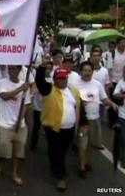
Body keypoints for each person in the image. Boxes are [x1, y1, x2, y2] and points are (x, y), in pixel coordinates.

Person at [35, 63, 81, 191]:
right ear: (55, 79)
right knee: (57, 151)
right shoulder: (48, 89)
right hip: (53, 128)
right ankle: (61, 177)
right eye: (59, 78)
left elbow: (78, 108)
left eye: (64, 78)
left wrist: (81, 124)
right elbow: (39, 81)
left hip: (70, 129)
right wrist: (41, 69)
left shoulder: (73, 91)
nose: (62, 80)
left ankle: (55, 165)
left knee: (61, 150)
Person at [73, 61, 118, 179]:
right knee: (82, 144)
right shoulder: (74, 84)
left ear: (92, 72)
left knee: (92, 144)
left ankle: (86, 162)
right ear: (80, 71)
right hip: (83, 121)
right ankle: (82, 166)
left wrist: (112, 103)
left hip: (95, 119)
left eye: (89, 70)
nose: (87, 73)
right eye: (84, 70)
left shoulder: (97, 84)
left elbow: (104, 99)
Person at [0, 65, 30, 186]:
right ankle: (0, 163)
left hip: (20, 125)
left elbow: (26, 104)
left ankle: (15, 173)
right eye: (10, 69)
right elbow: (4, 96)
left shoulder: (25, 86)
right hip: (4, 124)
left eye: (15, 69)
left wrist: (20, 120)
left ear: (20, 70)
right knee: (4, 151)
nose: (12, 71)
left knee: (18, 153)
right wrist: (20, 89)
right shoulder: (1, 82)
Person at [31, 61, 53, 150]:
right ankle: (33, 144)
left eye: (49, 69)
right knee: (36, 127)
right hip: (38, 107)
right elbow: (34, 89)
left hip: (48, 109)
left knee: (49, 129)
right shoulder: (37, 79)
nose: (47, 70)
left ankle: (51, 146)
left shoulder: (53, 80)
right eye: (46, 68)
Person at [113, 66, 125, 169]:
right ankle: (123, 159)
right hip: (123, 116)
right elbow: (115, 95)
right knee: (123, 139)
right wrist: (123, 95)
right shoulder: (121, 82)